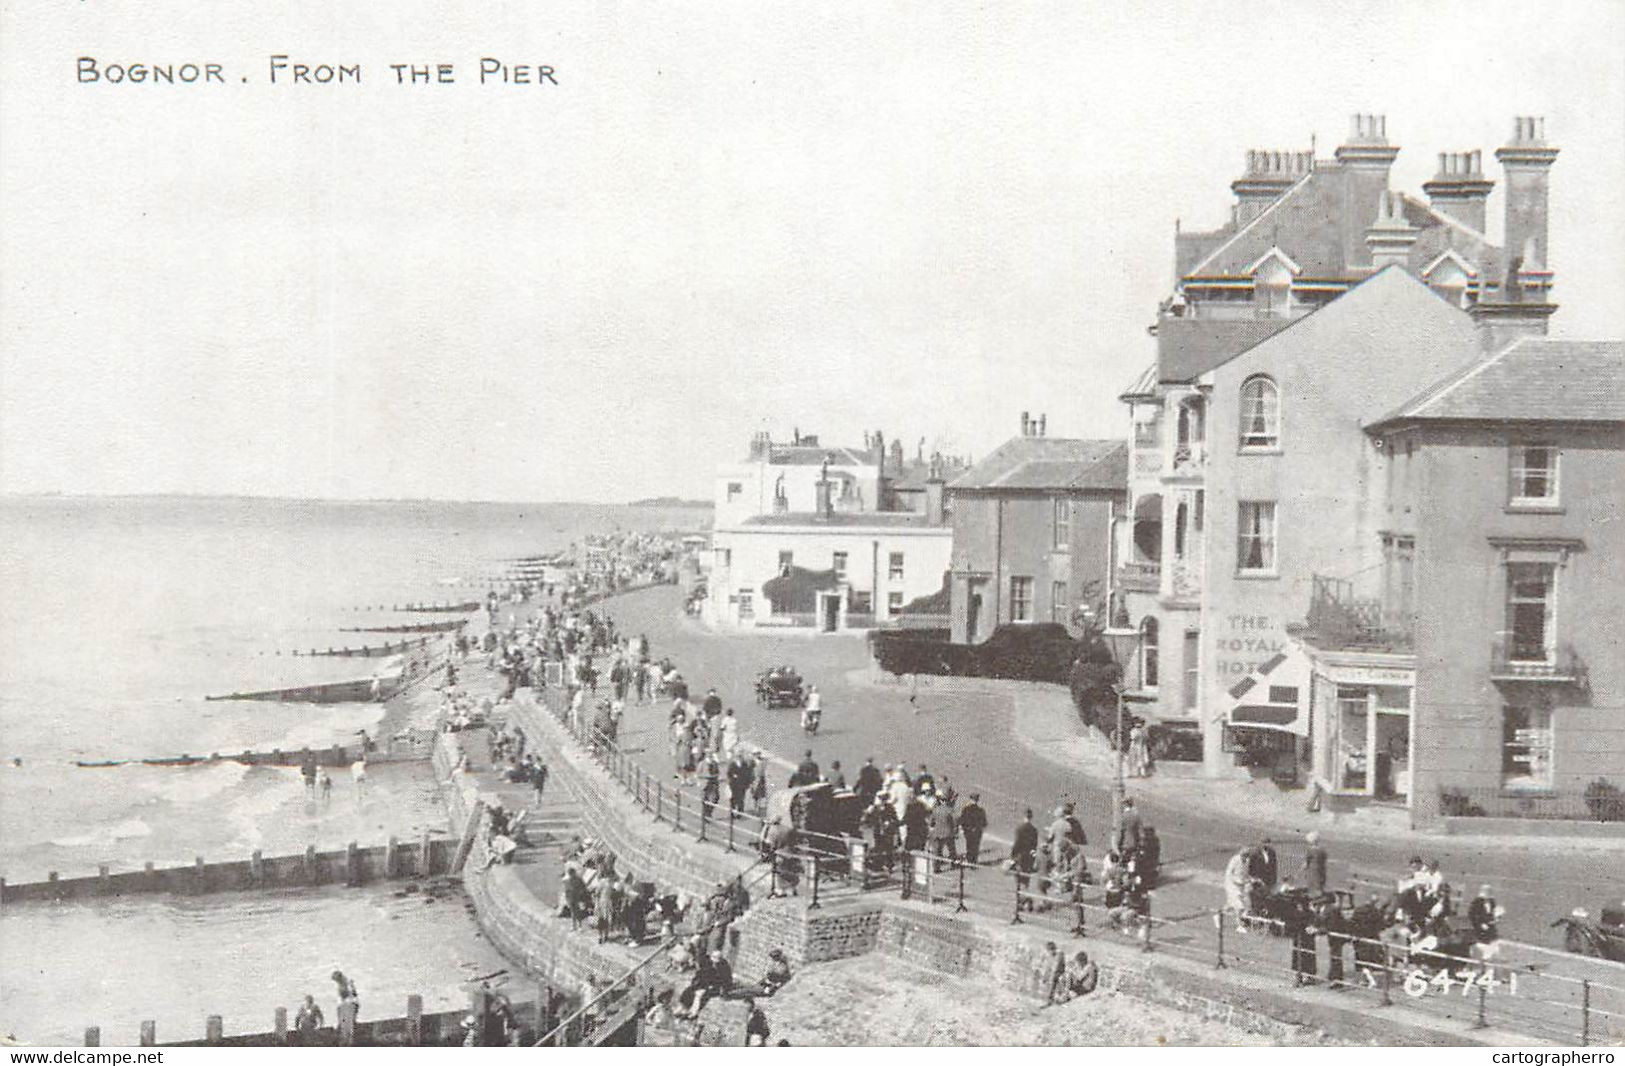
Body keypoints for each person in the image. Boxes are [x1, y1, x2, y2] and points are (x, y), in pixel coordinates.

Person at [1011, 808, 1039, 912]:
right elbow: (1034, 846)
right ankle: (1025, 899)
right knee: (1026, 880)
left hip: (1020, 858)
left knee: (1019, 881)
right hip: (1029, 858)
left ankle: (1022, 901)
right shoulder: (1034, 830)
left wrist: (1012, 857)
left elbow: (1017, 844)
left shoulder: (1020, 829)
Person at [959, 793, 987, 866]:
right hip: (977, 832)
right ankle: (974, 861)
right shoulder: (981, 810)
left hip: (968, 831)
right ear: (977, 800)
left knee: (969, 845)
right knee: (976, 846)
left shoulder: (965, 809)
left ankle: (970, 860)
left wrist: (964, 828)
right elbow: (984, 823)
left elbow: (962, 821)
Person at [1303, 831, 1329, 898]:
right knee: (1319, 885)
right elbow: (1325, 859)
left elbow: (1306, 862)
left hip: (1312, 871)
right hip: (1321, 869)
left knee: (1312, 886)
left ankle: (1313, 901)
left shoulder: (1310, 850)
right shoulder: (1322, 850)